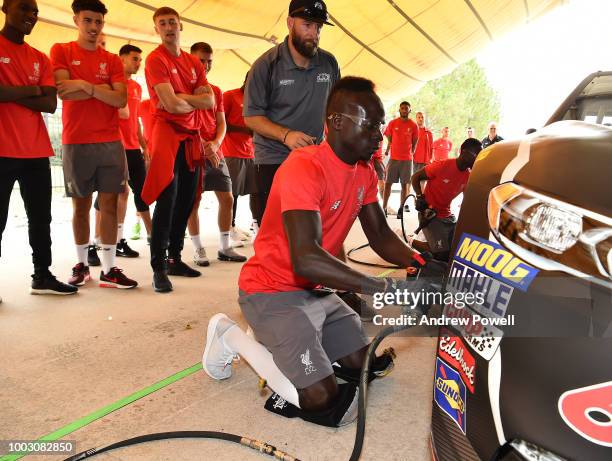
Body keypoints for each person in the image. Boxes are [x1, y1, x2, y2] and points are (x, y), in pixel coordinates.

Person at [203, 77, 435, 427]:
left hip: (316, 292)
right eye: (370, 125)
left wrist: (422, 262)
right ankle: (229, 334)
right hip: (272, 292)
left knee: (364, 364)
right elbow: (306, 258)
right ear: (337, 122)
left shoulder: (365, 171)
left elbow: (380, 235)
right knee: (321, 398)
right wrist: (379, 288)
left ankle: (291, 341)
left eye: (381, 125)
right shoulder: (305, 166)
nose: (379, 135)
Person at [50, 0, 137, 289]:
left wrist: (85, 86)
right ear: (76, 20)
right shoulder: (60, 50)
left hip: (111, 141)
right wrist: (102, 90)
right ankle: (82, 265)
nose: (93, 27)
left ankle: (110, 269)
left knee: (110, 204)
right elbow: (64, 92)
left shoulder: (112, 59)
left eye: (98, 22)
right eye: (88, 21)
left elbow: (120, 99)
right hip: (77, 141)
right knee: (80, 206)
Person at [0, 0, 77, 297]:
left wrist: (9, 92)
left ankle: (42, 275)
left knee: (41, 219)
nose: (31, 15)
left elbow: (49, 103)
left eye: (35, 11)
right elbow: (40, 95)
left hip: (35, 151)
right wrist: (31, 89)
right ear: (6, 8)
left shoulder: (39, 57)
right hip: (3, 151)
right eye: (24, 8)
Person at [243, 0, 339, 234]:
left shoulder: (328, 63)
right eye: (307, 25)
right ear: (289, 23)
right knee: (275, 231)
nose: (314, 34)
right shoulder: (265, 66)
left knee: (315, 229)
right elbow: (252, 117)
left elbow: (336, 109)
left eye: (318, 27)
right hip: (273, 160)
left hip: (314, 158)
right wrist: (286, 135)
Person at [142, 6, 214, 293]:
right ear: (157, 29)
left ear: (180, 25)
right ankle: (159, 267)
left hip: (190, 135)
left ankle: (175, 258)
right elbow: (170, 105)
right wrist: (189, 98)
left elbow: (208, 102)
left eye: (173, 21)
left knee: (187, 199)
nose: (169, 27)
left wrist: (181, 98)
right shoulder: (155, 59)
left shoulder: (193, 62)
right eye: (163, 23)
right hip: (166, 133)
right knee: (167, 198)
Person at [187, 42, 246, 266]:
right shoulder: (181, 89)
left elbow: (221, 123)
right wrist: (203, 145)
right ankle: (198, 249)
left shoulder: (216, 91)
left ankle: (224, 247)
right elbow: (182, 122)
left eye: (209, 60)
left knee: (227, 197)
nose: (206, 64)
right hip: (192, 151)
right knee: (193, 202)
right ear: (191, 60)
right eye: (201, 60)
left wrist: (215, 143)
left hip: (215, 151)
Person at [91, 44, 150, 260]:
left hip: (133, 147)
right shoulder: (109, 84)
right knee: (108, 195)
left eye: (139, 59)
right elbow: (117, 113)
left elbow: (134, 119)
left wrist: (144, 145)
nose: (138, 63)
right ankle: (96, 242)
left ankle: (117, 239)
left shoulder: (136, 87)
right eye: (134, 58)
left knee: (128, 194)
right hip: (113, 145)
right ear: (121, 59)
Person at [409, 138, 483, 261]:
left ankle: (432, 242)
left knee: (456, 251)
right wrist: (419, 196)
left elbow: (467, 202)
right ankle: (409, 240)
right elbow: (415, 177)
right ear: (463, 152)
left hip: (447, 216)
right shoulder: (442, 165)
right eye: (476, 155)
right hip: (429, 214)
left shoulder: (468, 176)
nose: (477, 159)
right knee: (442, 255)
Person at [221, 74, 257, 242]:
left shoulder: (257, 99)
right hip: (231, 151)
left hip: (250, 152)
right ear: (246, 79)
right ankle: (230, 227)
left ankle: (256, 224)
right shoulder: (230, 95)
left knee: (255, 190)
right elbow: (220, 123)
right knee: (232, 193)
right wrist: (245, 130)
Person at [382, 101, 418, 216]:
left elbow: (415, 140)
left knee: (405, 185)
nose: (404, 110)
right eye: (402, 108)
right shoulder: (393, 123)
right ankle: (384, 208)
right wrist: (391, 143)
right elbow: (387, 134)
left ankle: (401, 209)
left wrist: (412, 151)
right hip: (394, 159)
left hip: (406, 160)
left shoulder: (413, 125)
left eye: (406, 108)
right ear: (399, 110)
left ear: (409, 110)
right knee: (388, 184)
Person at [412, 110, 433, 177]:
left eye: (422, 117)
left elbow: (431, 148)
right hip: (414, 160)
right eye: (419, 117)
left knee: (422, 180)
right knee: (412, 179)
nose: (421, 119)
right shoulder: (412, 131)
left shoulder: (428, 133)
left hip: (425, 161)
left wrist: (430, 159)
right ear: (416, 118)